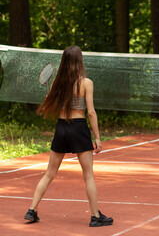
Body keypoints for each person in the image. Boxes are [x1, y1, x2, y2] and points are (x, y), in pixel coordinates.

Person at [24, 46, 113, 227]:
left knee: (49, 173)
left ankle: (31, 210)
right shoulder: (86, 83)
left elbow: (53, 103)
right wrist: (97, 137)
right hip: (78, 129)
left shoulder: (58, 82)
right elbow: (91, 113)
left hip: (61, 128)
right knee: (88, 175)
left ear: (64, 61)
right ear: (79, 61)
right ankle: (95, 216)